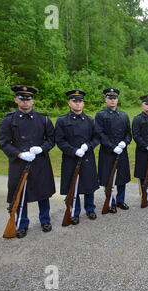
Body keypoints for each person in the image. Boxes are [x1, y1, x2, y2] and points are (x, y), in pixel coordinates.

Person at [0, 85, 56, 238]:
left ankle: (45, 220)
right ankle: (22, 224)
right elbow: (3, 142)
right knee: (20, 194)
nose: (25, 102)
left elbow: (51, 139)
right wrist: (19, 154)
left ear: (32, 101)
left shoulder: (43, 119)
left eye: (28, 99)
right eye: (22, 99)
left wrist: (42, 149)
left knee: (43, 193)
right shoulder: (8, 120)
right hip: (19, 163)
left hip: (40, 162)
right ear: (16, 100)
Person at [55, 90, 100, 224]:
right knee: (72, 185)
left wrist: (88, 146)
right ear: (69, 103)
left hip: (87, 157)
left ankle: (90, 208)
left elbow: (96, 137)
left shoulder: (90, 121)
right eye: (74, 101)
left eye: (80, 101)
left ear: (83, 104)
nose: (77, 104)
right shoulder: (62, 121)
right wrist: (73, 151)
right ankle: (75, 211)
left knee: (89, 184)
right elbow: (59, 140)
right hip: (71, 158)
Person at [95, 88, 132, 213]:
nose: (112, 100)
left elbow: (128, 133)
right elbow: (100, 133)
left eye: (114, 98)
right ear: (106, 100)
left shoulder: (123, 115)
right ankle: (110, 201)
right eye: (110, 98)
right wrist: (112, 146)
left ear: (117, 100)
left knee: (122, 176)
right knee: (108, 177)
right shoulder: (100, 115)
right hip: (107, 151)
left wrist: (124, 143)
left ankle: (120, 200)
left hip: (121, 151)